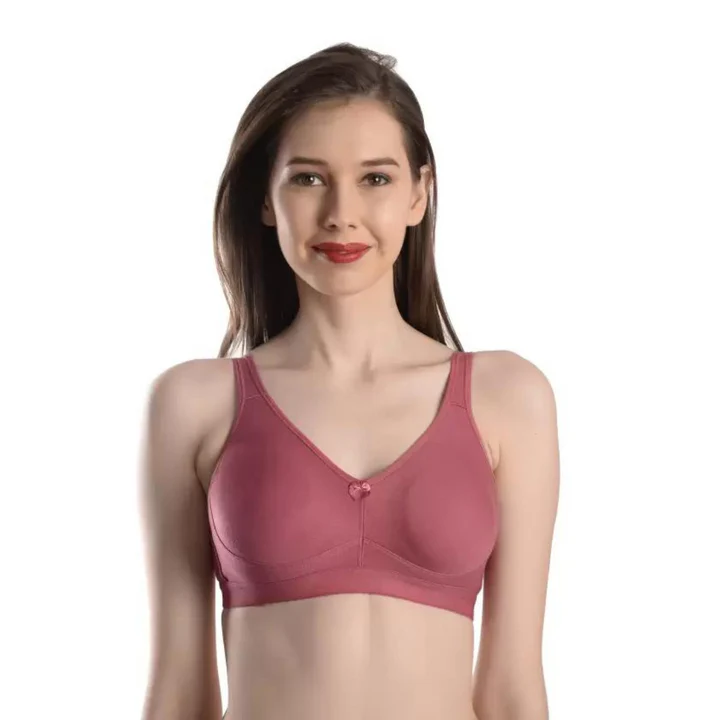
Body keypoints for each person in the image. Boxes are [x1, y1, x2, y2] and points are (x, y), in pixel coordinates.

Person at [139, 42, 560, 720]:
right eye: (308, 178)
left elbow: (512, 690)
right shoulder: (194, 405)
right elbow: (180, 691)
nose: (341, 212)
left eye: (375, 179)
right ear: (266, 199)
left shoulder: (508, 399)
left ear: (419, 193)